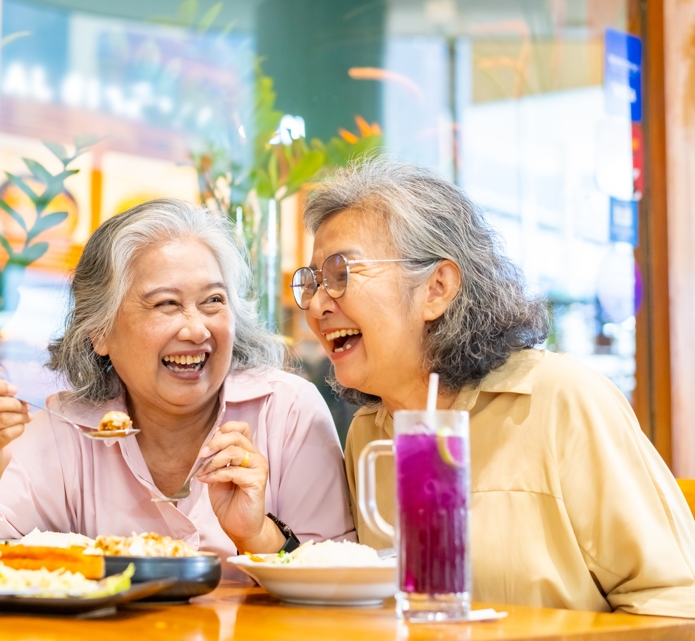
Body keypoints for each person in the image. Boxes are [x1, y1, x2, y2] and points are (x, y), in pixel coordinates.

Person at [292, 159, 695, 616]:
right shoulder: (368, 436)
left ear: (436, 288)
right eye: (313, 283)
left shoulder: (558, 400)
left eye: (341, 273)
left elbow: (675, 604)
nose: (317, 305)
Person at [0, 198, 354, 575]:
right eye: (166, 304)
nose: (196, 329)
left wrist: (258, 536)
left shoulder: (286, 411)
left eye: (213, 300)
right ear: (100, 332)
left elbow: (342, 584)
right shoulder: (66, 430)